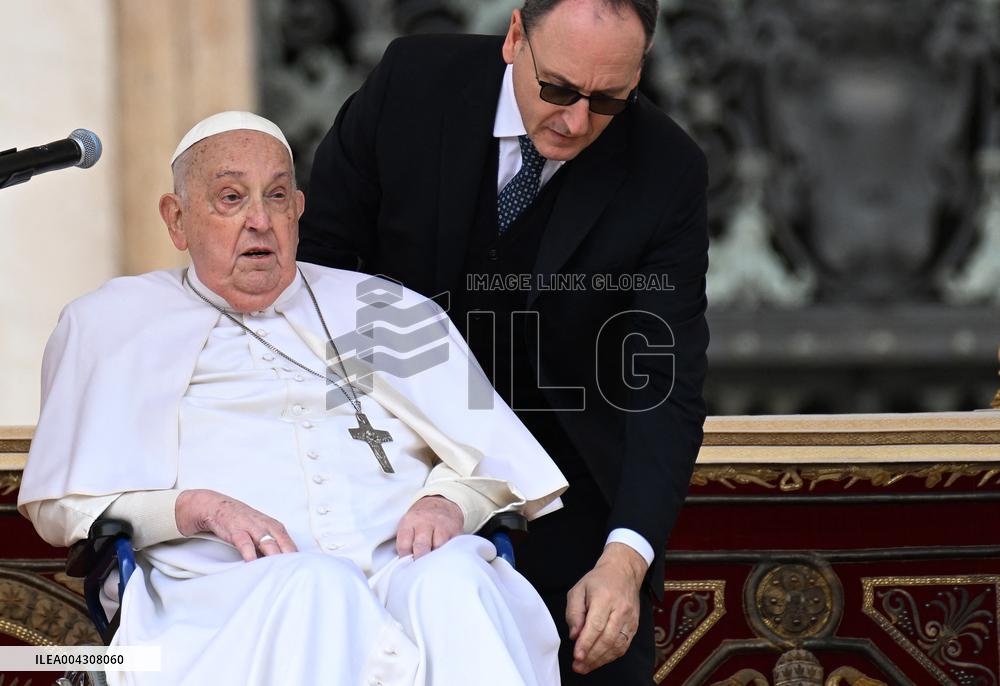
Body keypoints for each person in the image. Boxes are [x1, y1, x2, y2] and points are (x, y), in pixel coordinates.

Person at [18, 111, 569, 686]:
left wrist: (450, 500)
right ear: (176, 220)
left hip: (402, 571)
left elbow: (498, 466)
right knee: (319, 587)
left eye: (277, 196)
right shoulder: (110, 323)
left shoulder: (389, 309)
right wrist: (194, 507)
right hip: (220, 595)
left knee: (457, 579)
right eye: (231, 198)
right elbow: (65, 507)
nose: (260, 220)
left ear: (298, 210)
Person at [296, 0, 709, 683]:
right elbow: (322, 269)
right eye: (558, 89)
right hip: (386, 448)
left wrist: (624, 559)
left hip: (562, 477)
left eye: (609, 101)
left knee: (597, 651)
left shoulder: (668, 170)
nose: (576, 121)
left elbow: (664, 384)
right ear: (517, 36)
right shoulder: (411, 83)